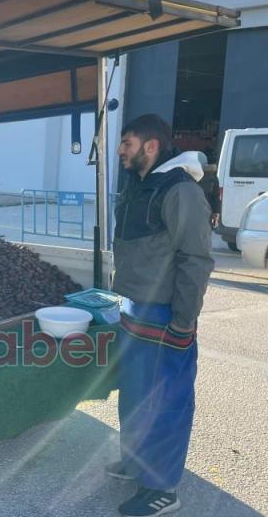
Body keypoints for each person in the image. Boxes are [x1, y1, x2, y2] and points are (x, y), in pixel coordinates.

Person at [109, 114, 214, 516]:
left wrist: (184, 323)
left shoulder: (180, 190)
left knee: (167, 404)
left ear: (151, 146)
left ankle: (163, 490)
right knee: (135, 396)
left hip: (168, 317)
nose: (121, 150)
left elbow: (196, 260)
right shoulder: (140, 184)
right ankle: (137, 463)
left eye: (128, 143)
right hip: (135, 311)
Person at [198, 157, 221, 229]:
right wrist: (216, 212)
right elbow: (215, 197)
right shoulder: (214, 177)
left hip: (195, 210)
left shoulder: (194, 176)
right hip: (208, 212)